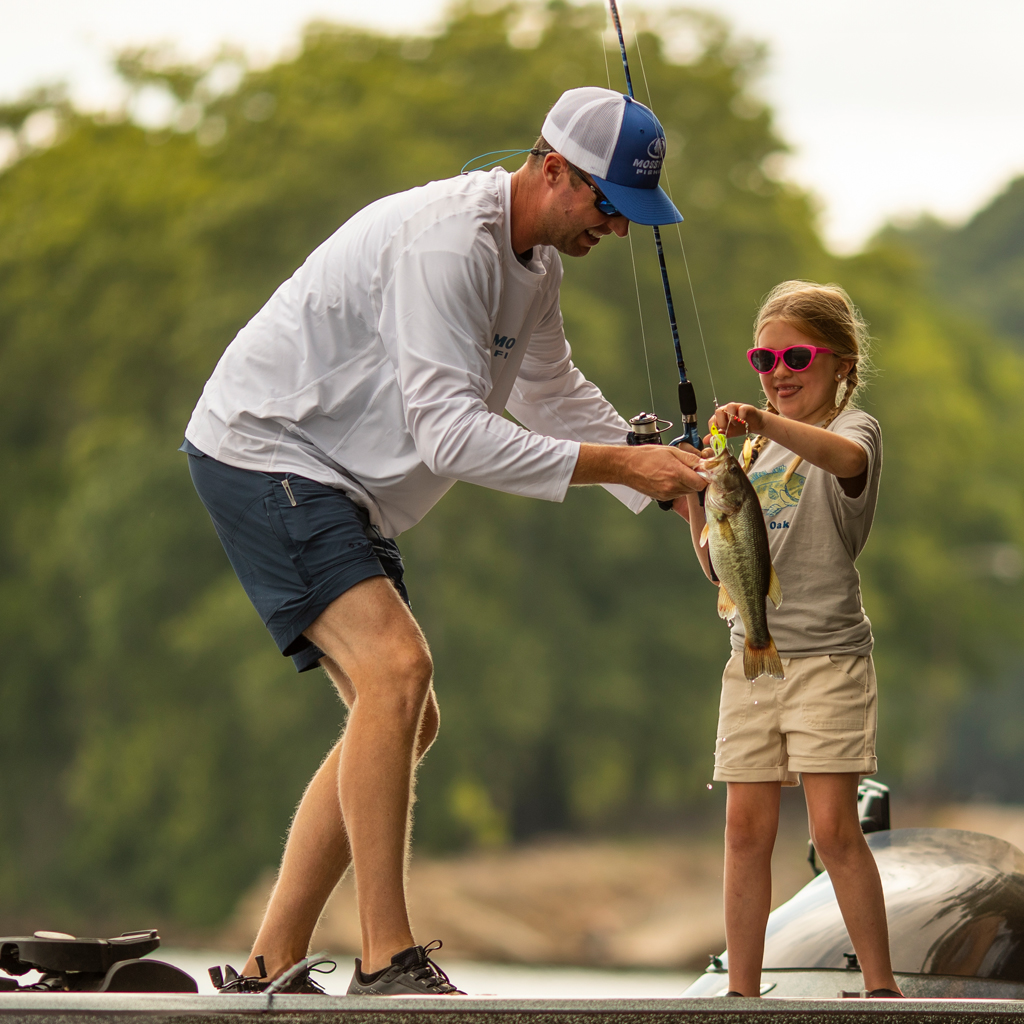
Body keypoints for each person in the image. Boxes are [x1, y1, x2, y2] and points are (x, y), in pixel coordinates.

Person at [181, 86, 706, 996]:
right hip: (266, 447)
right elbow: (451, 437)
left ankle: (268, 965)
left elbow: (551, 391)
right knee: (397, 671)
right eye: (610, 205)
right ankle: (386, 960)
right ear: (552, 170)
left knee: (407, 716)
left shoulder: (536, 266)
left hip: (338, 479)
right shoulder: (447, 245)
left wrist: (661, 474)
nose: (618, 230)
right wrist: (625, 471)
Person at [682, 281, 901, 998]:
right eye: (763, 358)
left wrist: (763, 427)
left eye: (797, 356)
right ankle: (741, 993)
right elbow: (721, 560)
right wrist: (694, 495)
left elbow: (842, 461)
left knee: (836, 828)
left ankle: (880, 990)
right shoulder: (747, 458)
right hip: (750, 659)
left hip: (830, 661)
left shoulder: (852, 431)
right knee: (745, 831)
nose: (778, 372)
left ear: (841, 362)